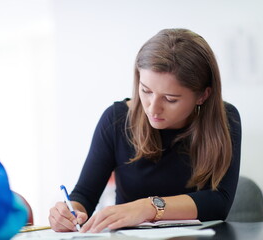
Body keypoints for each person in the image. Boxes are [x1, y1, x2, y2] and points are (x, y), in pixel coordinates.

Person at [48, 28, 241, 233]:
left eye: (170, 99)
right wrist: (70, 214)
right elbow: (84, 195)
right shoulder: (116, 120)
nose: (152, 107)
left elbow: (219, 202)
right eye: (146, 91)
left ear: (202, 95)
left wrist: (148, 207)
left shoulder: (225, 119)